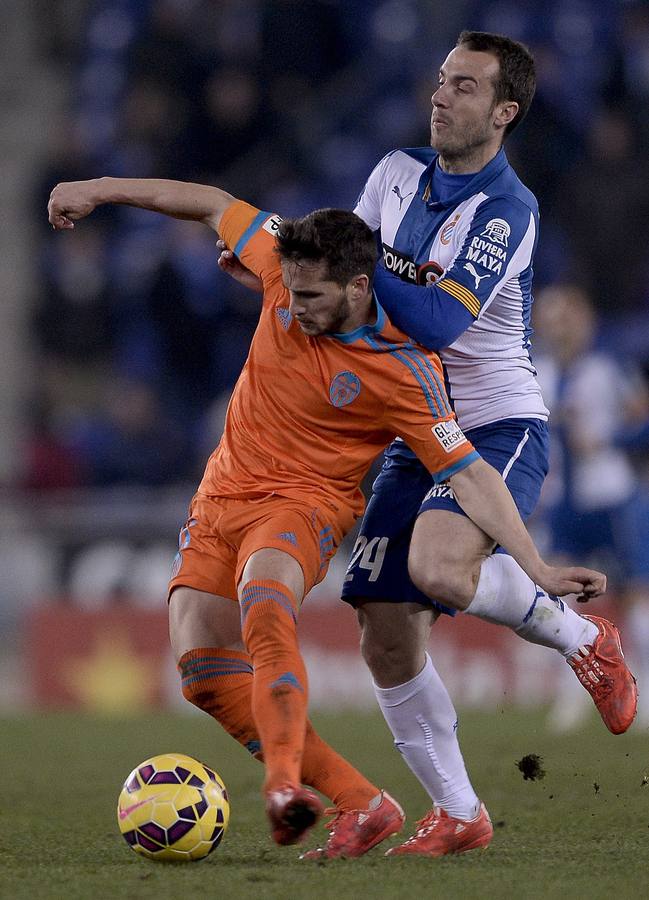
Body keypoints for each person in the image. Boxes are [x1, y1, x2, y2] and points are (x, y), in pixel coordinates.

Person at [48, 177, 606, 856]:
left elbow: (470, 476)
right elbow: (211, 204)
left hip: (305, 503)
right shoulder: (284, 270)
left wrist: (535, 564)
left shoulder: (404, 370)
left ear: (358, 287)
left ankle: (283, 786)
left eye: (310, 296)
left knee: (265, 599)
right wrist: (97, 189)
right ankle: (361, 803)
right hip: (221, 492)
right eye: (289, 289)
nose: (293, 305)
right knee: (201, 670)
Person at [217, 30, 639, 858]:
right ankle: (459, 812)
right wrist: (291, 275)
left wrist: (369, 274)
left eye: (465, 87)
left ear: (504, 112)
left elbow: (441, 319)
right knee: (381, 623)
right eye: (441, 80)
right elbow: (347, 275)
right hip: (413, 423)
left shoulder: (507, 210)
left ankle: (583, 640)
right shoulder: (392, 173)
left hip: (495, 422)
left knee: (437, 569)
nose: (441, 96)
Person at [534, 284, 649, 730]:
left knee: (636, 592)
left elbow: (642, 424)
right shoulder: (536, 373)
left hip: (611, 497)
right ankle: (575, 692)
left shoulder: (608, 368)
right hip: (563, 502)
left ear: (584, 322)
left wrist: (606, 440)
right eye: (551, 319)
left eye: (567, 318)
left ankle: (644, 689)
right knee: (555, 591)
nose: (560, 328)